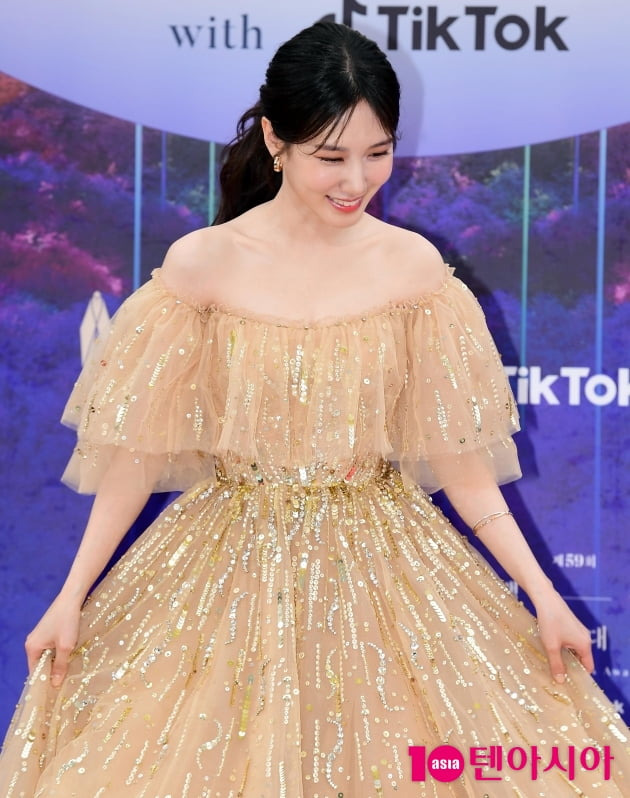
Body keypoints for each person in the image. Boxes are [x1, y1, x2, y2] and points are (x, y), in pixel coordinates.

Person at [0, 20, 627, 797]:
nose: (356, 180)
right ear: (274, 140)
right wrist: (70, 598)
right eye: (331, 157)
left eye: (378, 152)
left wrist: (543, 599)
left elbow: (467, 470)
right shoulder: (202, 266)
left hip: (391, 575)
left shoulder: (413, 270)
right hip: (219, 573)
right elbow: (134, 457)